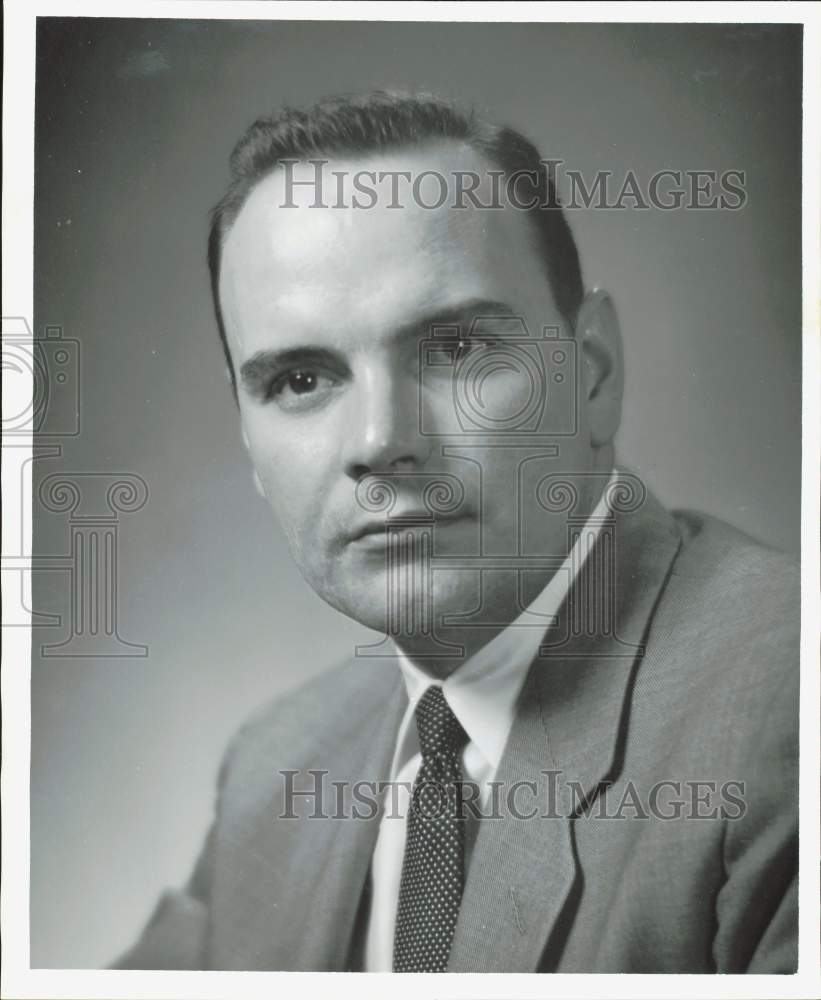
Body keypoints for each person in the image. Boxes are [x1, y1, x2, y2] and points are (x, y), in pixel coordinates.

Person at [114, 92, 798, 973]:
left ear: (591, 374)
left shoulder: (785, 708)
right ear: (250, 440)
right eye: (301, 379)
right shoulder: (276, 769)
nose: (378, 443)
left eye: (453, 351)